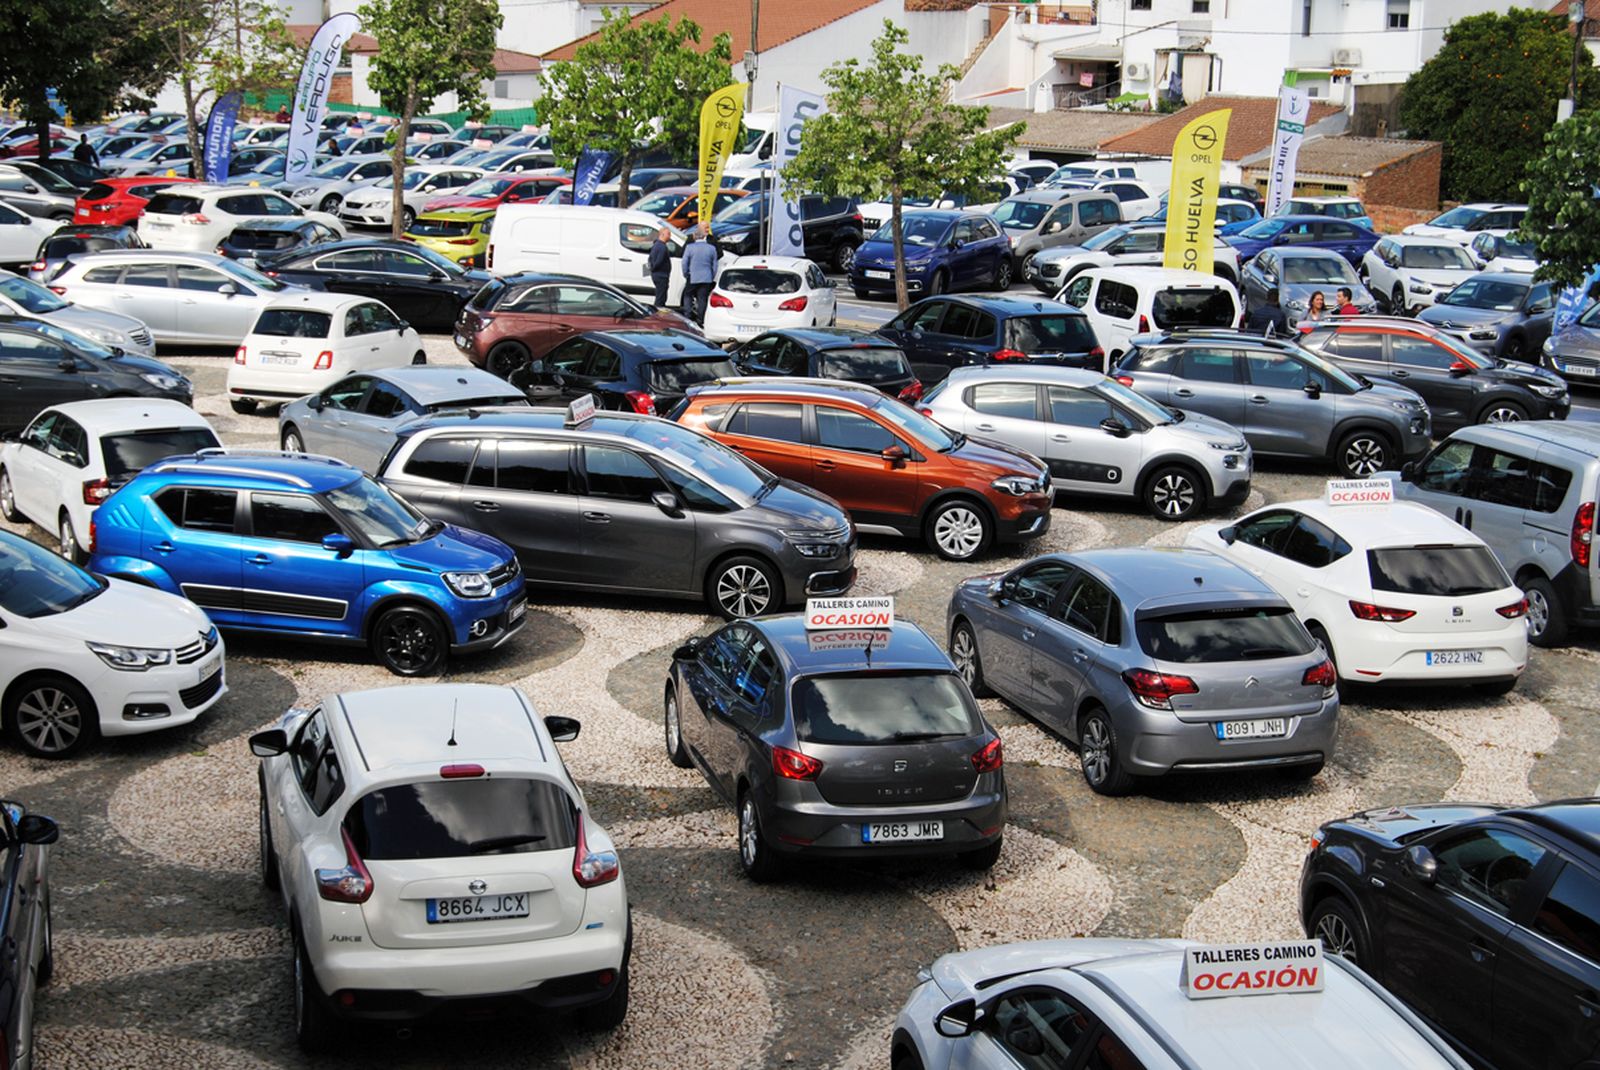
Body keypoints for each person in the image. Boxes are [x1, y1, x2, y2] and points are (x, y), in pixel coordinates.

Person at [681, 224, 718, 324]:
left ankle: (687, 316)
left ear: (695, 237)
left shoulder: (689, 247)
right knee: (702, 298)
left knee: (688, 295)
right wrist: (711, 276)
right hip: (706, 277)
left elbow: (684, 262)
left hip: (692, 276)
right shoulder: (712, 248)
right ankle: (700, 319)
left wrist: (685, 274)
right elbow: (715, 265)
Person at [647, 226, 673, 310]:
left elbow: (650, 259)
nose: (670, 236)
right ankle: (658, 313)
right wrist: (654, 268)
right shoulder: (662, 247)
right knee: (661, 297)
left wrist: (652, 270)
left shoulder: (656, 245)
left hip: (657, 275)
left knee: (660, 295)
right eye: (668, 234)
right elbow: (659, 261)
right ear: (662, 234)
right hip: (661, 275)